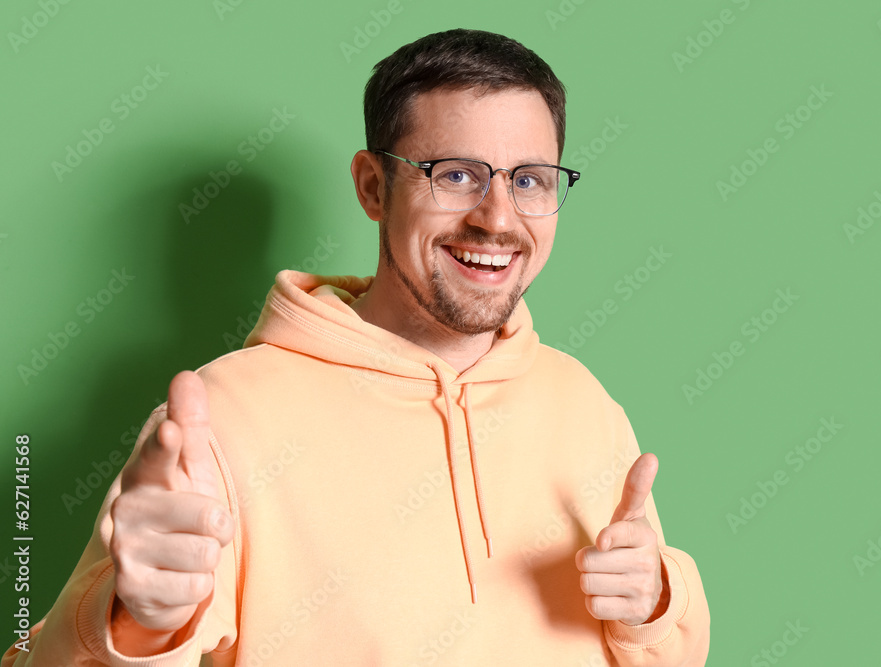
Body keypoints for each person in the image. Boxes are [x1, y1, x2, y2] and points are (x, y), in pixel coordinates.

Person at [3, 28, 710, 666]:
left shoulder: (585, 403)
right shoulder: (216, 421)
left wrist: (654, 604)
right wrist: (139, 623)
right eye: (456, 173)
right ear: (375, 186)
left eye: (529, 180)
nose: (498, 218)